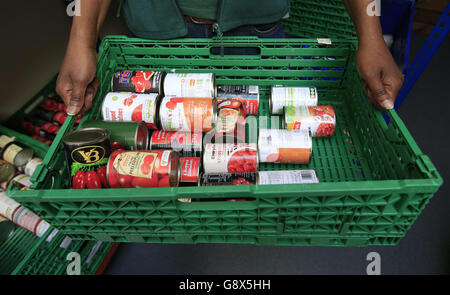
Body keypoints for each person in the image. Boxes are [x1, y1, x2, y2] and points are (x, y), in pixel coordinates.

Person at [57, 0, 404, 115]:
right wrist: (81, 40)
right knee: (169, 132)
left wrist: (371, 37)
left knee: (252, 124)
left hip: (255, 31)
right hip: (158, 33)